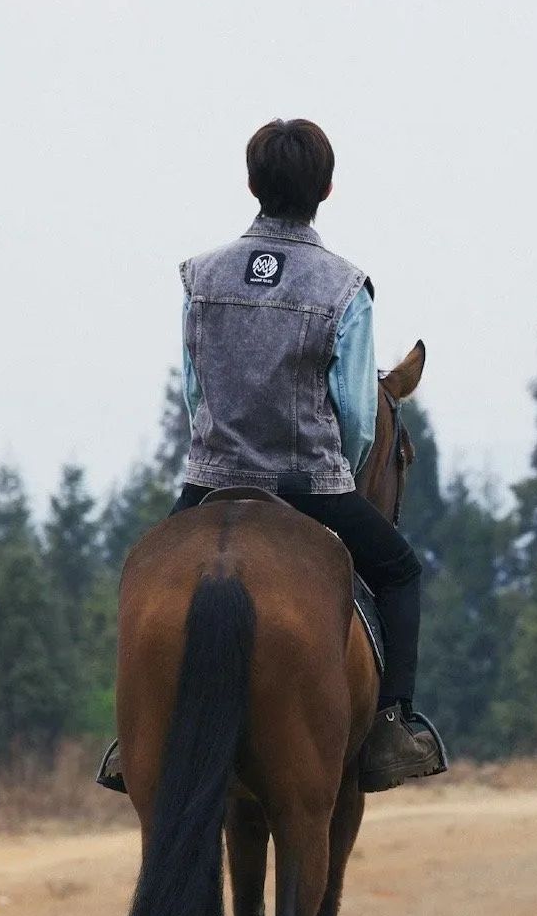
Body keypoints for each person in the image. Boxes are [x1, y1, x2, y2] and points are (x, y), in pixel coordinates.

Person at [99, 117, 446, 794]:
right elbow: (353, 411)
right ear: (327, 189)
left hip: (212, 480)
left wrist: (220, 450)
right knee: (401, 572)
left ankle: (132, 737)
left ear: (252, 183)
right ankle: (390, 728)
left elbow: (195, 387)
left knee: (145, 574)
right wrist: (334, 474)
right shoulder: (346, 287)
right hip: (311, 484)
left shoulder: (200, 276)